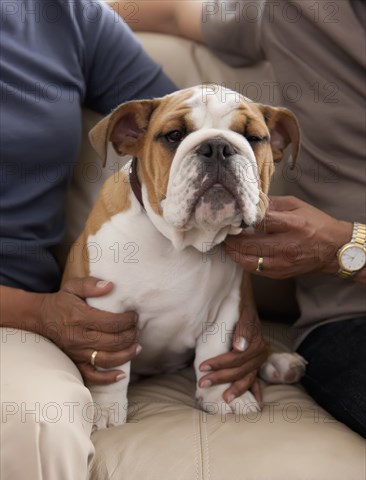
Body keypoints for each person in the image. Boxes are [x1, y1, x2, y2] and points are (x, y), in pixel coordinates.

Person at [0, 1, 267, 480]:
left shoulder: (62, 14)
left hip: (20, 323)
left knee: (35, 422)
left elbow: (182, 132)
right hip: (23, 311)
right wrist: (35, 311)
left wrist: (242, 294)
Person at [112, 0, 366, 438]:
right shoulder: (297, 9)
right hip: (351, 319)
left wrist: (345, 245)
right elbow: (174, 13)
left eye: (248, 138)